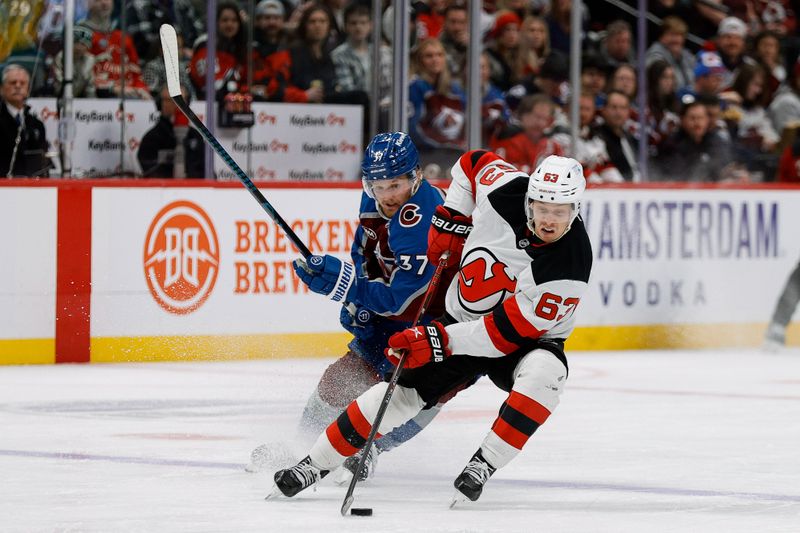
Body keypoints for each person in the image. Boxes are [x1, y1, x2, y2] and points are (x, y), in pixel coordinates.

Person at [270, 152, 593, 505]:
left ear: (575, 209)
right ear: (529, 199)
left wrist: (437, 338)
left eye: (560, 212)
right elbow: (472, 163)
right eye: (542, 208)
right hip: (461, 321)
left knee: (546, 374)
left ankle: (483, 464)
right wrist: (453, 216)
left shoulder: (570, 263)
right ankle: (312, 464)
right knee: (399, 393)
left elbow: (501, 335)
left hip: (524, 343)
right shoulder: (506, 188)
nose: (549, 220)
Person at [248, 132, 462, 482]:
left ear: (416, 176)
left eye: (395, 185)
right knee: (340, 379)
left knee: (418, 394)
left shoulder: (426, 218)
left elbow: (403, 301)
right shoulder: (374, 200)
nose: (387, 195)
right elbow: (364, 252)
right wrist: (357, 300)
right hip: (394, 315)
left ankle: (371, 448)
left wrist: (347, 286)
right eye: (379, 186)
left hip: (439, 323)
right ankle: (303, 446)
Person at [137, 86, 205, 178]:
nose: (177, 105)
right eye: (170, 100)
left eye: (181, 101)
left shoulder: (195, 137)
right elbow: (150, 172)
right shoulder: (151, 139)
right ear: (160, 104)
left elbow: (205, 171)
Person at [0, 64, 53, 178]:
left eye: (22, 83)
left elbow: (42, 161)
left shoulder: (36, 124)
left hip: (31, 183)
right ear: (2, 89)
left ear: (28, 89)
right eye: (13, 83)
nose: (18, 86)